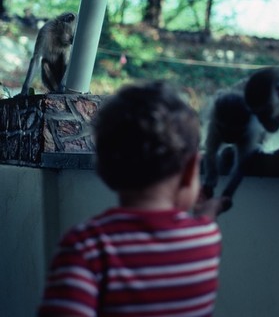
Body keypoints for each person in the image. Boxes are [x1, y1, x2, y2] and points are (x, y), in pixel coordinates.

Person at [38, 81, 227, 317]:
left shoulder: (86, 247)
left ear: (105, 171)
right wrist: (211, 209)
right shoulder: (205, 239)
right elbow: (205, 222)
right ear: (191, 171)